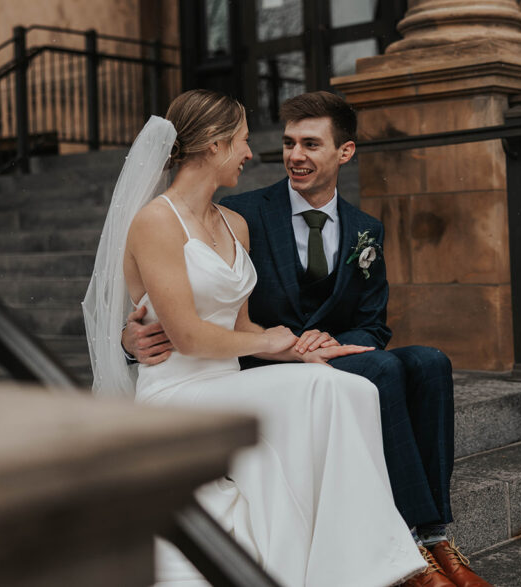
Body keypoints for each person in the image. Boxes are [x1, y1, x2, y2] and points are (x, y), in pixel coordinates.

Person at [125, 92, 492, 587]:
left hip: (258, 359)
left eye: (310, 144)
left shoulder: (251, 224)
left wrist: (310, 346)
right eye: (250, 141)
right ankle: (402, 558)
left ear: (344, 152)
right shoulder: (232, 212)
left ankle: (432, 537)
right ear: (214, 146)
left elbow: (256, 322)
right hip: (211, 376)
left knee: (427, 362)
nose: (264, 154)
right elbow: (179, 322)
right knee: (367, 379)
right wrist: (134, 337)